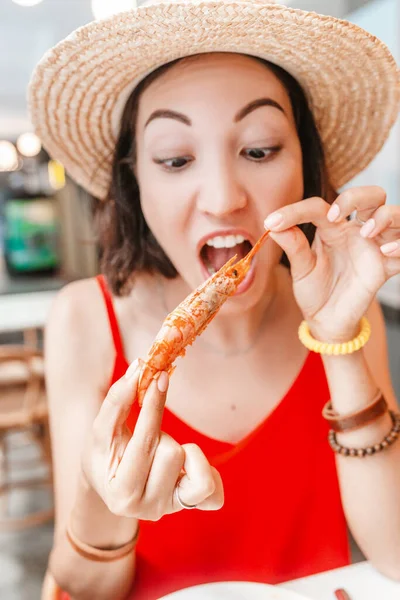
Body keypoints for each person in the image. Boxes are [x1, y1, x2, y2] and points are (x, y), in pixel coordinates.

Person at [28, 1, 400, 599]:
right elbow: (82, 589)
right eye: (176, 159)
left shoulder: (348, 320)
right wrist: (102, 499)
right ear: (136, 183)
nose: (224, 198)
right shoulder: (84, 320)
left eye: (259, 150)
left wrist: (339, 344)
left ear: (306, 165)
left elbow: (396, 555)